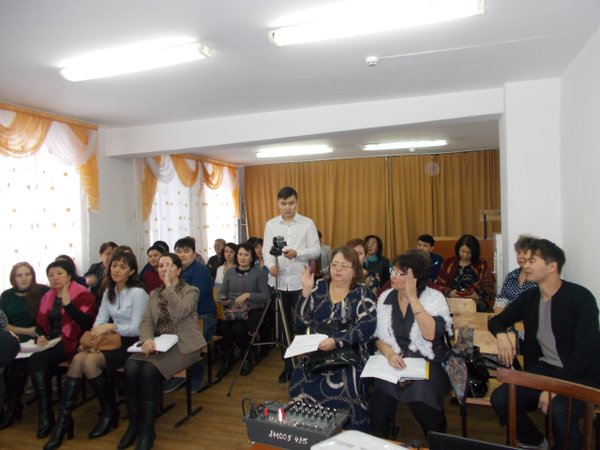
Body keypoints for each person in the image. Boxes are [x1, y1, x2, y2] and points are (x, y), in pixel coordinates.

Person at [489, 239, 600, 450]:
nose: (525, 266)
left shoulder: (580, 297)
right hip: (545, 370)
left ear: (552, 266)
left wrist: (555, 387)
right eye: (525, 261)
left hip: (581, 374)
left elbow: (585, 352)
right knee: (501, 398)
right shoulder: (530, 297)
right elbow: (497, 321)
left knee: (559, 408)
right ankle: (538, 443)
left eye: (532, 261)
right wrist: (502, 335)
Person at [43, 250, 149, 449]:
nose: (117, 270)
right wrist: (98, 333)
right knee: (78, 359)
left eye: (123, 267)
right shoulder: (109, 291)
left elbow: (137, 328)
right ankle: (63, 421)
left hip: (132, 343)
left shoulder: (138, 293)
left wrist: (112, 327)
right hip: (110, 340)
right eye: (114, 265)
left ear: (131, 271)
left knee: (89, 361)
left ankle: (109, 412)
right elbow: (99, 321)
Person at [119, 253, 206, 450]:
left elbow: (181, 311)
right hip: (160, 343)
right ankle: (133, 426)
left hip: (184, 345)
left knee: (149, 371)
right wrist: (147, 339)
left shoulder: (191, 291)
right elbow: (146, 322)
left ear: (179, 269)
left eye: (168, 265)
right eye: (160, 266)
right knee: (131, 366)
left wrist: (168, 287)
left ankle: (147, 431)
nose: (163, 269)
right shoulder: (153, 294)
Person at [290, 246, 376, 431]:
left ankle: (352, 431)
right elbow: (300, 323)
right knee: (300, 375)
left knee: (348, 383)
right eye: (335, 264)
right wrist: (305, 293)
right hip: (319, 349)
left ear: (355, 271)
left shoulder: (362, 292)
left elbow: (367, 326)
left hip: (351, 350)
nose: (337, 269)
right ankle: (309, 429)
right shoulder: (319, 287)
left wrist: (337, 341)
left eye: (344, 266)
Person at [370, 250, 453, 439]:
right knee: (379, 401)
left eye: (399, 273)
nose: (392, 276)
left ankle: (438, 440)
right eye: (392, 271)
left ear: (414, 278)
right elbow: (377, 336)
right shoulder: (386, 297)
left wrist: (413, 299)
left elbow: (431, 335)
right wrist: (390, 354)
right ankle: (381, 440)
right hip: (392, 360)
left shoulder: (433, 298)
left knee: (423, 399)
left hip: (426, 362)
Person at [27, 261, 96, 439]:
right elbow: (41, 325)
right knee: (35, 360)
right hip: (52, 341)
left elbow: (87, 323)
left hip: (73, 340)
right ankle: (47, 414)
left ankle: (48, 415)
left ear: (69, 276)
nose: (55, 278)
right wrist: (40, 336)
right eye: (51, 275)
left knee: (37, 360)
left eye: (59, 274)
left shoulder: (82, 294)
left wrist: (68, 304)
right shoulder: (47, 296)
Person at [263, 186, 321, 383]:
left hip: (300, 283)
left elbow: (316, 250)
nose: (287, 207)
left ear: (296, 202)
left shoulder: (307, 223)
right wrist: (270, 265)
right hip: (278, 283)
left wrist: (298, 253)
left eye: (291, 203)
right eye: (283, 203)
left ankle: (306, 365)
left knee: (303, 324)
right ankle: (288, 366)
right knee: (283, 327)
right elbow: (266, 251)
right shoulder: (271, 224)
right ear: (278, 203)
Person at [0, 262, 50, 430]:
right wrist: (25, 331)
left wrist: (36, 333)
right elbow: (3, 323)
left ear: (33, 276)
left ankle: (15, 407)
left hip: (38, 338)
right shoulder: (6, 295)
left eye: (27, 274)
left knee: (21, 365)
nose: (23, 278)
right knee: (10, 363)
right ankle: (13, 406)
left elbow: (49, 317)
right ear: (13, 278)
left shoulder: (43, 291)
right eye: (19, 275)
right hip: (15, 336)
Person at [163, 237, 214, 393]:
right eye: (178, 251)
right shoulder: (174, 270)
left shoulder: (201, 270)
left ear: (194, 253)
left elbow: (193, 301)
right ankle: (178, 374)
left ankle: (197, 374)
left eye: (186, 251)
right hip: (179, 318)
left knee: (190, 343)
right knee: (167, 342)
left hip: (202, 317)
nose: (182, 254)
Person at [216, 242, 269, 378]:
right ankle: (228, 358)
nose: (243, 257)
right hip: (232, 309)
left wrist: (248, 295)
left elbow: (265, 296)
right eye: (240, 254)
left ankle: (246, 356)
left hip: (252, 310)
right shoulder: (230, 272)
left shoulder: (259, 273)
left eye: (246, 255)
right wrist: (224, 299)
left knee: (238, 328)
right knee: (222, 328)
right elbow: (222, 292)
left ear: (252, 258)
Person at [433, 234, 495, 311]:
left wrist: (477, 296)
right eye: (462, 251)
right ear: (458, 249)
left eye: (468, 253)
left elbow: (488, 287)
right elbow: (440, 284)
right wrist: (449, 292)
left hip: (475, 306)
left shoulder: (481, 265)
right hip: (451, 305)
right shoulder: (448, 263)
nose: (465, 255)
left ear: (474, 252)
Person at [493, 235, 538, 312]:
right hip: (509, 317)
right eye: (518, 253)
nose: (520, 257)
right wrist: (499, 316)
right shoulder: (512, 275)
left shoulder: (539, 278)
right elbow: (502, 299)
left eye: (524, 253)